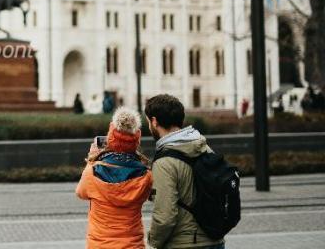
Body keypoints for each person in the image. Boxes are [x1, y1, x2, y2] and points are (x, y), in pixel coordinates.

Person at [146, 94, 224, 249]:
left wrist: (153, 242)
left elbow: (165, 217)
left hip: (183, 243)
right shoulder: (204, 147)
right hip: (215, 241)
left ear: (154, 122)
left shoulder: (164, 162)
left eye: (148, 121)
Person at [76, 106, 153, 248]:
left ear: (111, 137)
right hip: (132, 245)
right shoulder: (146, 176)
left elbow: (81, 193)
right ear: (136, 141)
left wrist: (92, 159)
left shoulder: (92, 172)